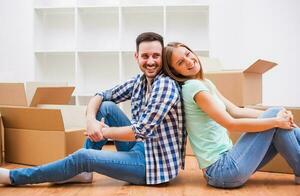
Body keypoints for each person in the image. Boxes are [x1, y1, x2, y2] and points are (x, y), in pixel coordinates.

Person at [0, 33, 186, 186]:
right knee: (106, 107)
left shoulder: (165, 85)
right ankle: (84, 172)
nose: (151, 61)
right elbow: (101, 95)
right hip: (142, 148)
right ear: (136, 56)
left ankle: (14, 177)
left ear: (163, 57)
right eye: (145, 56)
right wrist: (90, 120)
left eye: (156, 56)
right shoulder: (140, 81)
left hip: (153, 167)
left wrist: (103, 133)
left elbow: (141, 131)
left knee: (83, 156)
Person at [162, 42, 300, 188]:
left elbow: (236, 110)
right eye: (181, 62)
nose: (189, 61)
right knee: (274, 116)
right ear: (175, 71)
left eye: (188, 54)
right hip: (221, 171)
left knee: (276, 114)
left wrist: (280, 117)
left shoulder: (204, 82)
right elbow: (231, 123)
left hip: (230, 162)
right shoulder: (193, 88)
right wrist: (276, 120)